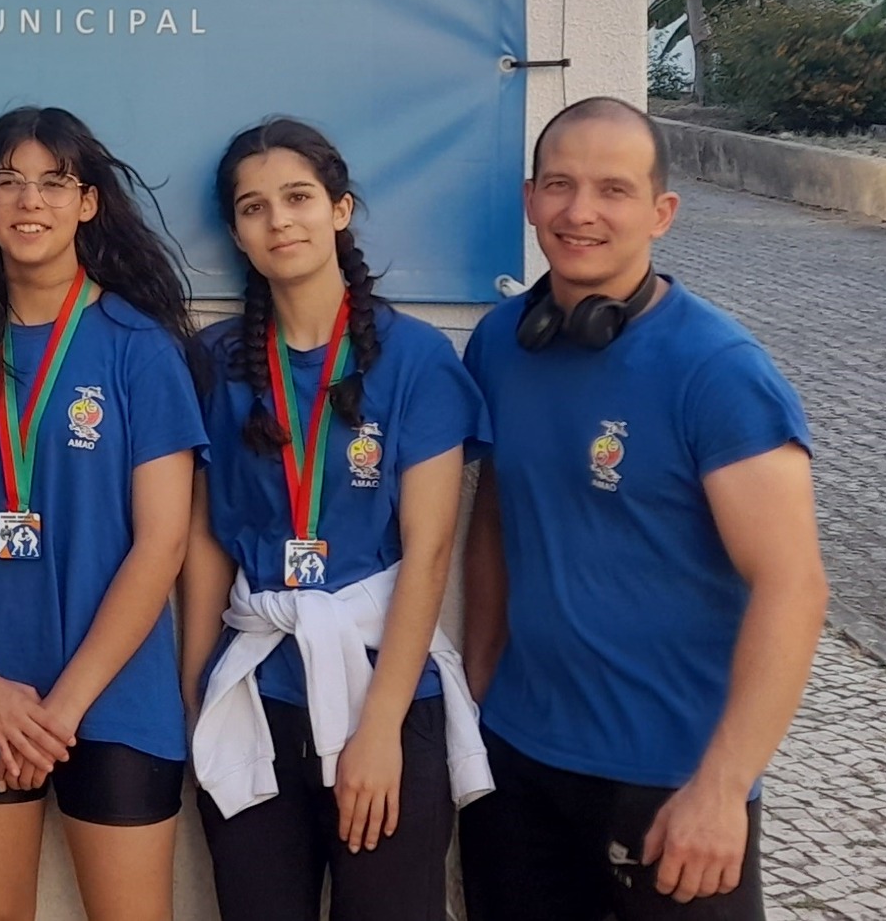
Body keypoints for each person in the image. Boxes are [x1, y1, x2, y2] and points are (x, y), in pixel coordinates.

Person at [460, 96, 826, 920]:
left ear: (662, 212)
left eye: (612, 190)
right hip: (519, 762)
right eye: (559, 184)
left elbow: (793, 586)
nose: (579, 211)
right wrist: (483, 679)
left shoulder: (718, 369)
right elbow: (496, 511)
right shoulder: (501, 343)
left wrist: (723, 788)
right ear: (529, 200)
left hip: (673, 785)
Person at [179, 119, 491, 921]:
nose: (279, 220)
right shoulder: (216, 362)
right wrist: (194, 690)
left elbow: (428, 554)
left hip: (382, 691)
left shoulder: (416, 357)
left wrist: (380, 731)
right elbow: (209, 537)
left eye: (298, 198)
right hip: (256, 696)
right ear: (238, 236)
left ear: (340, 209)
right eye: (253, 208)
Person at [0, 107, 206, 921]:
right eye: (8, 181)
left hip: (112, 698)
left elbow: (163, 544)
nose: (29, 200)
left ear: (88, 203)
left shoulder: (138, 347)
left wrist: (61, 711)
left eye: (54, 181)